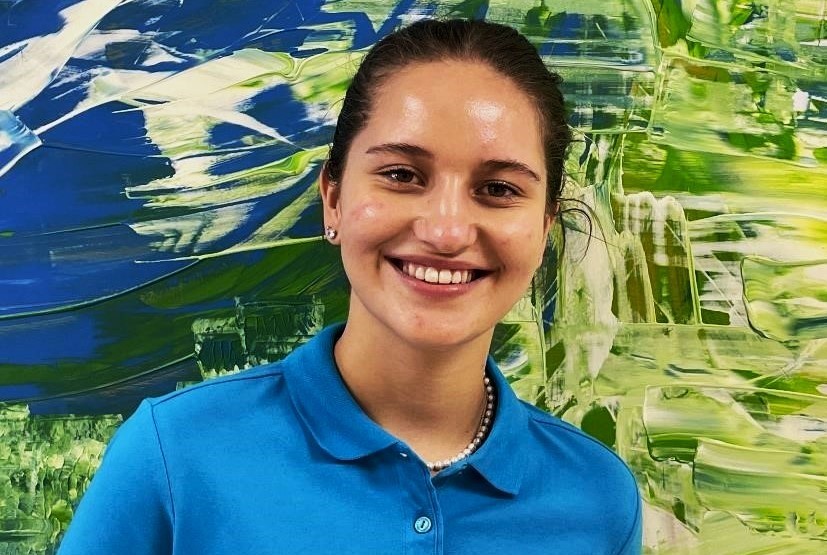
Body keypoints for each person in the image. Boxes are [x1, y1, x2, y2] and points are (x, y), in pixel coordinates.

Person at [58, 19, 642, 554]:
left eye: (498, 190)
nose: (445, 231)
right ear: (333, 199)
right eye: (402, 175)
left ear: (544, 227)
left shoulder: (599, 500)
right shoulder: (174, 454)